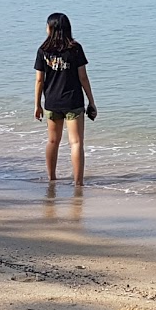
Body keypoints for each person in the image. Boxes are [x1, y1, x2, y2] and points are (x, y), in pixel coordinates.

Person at [33, 12, 97, 185]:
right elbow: (83, 77)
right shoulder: (75, 49)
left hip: (52, 102)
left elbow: (40, 80)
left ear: (51, 28)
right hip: (73, 101)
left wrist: (37, 104)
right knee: (76, 143)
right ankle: (78, 183)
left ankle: (52, 178)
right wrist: (91, 101)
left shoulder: (43, 51)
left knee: (53, 141)